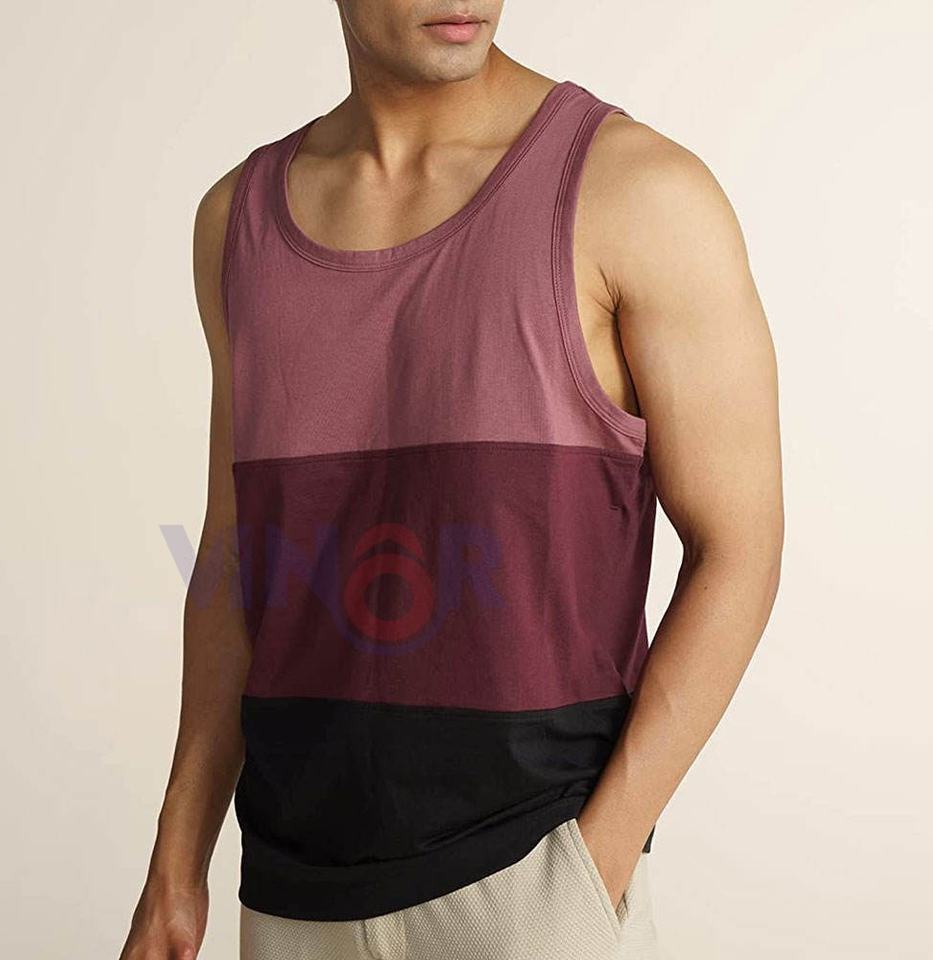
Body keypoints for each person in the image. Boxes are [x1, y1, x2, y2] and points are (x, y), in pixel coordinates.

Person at [119, 2, 783, 958]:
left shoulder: (638, 191)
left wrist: (591, 866)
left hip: (533, 881)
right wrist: (177, 865)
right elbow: (236, 555)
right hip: (292, 890)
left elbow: (740, 548)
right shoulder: (236, 222)